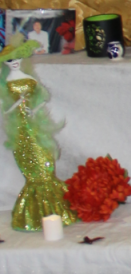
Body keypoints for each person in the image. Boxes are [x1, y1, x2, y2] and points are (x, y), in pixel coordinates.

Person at [1, 38, 78, 232]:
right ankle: (35, 214)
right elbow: (6, 110)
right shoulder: (6, 82)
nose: (15, 62)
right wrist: (17, 106)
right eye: (10, 60)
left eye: (18, 58)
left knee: (45, 163)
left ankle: (53, 210)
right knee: (31, 167)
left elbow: (43, 98)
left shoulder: (30, 79)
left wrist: (34, 110)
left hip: (34, 127)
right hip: (20, 130)